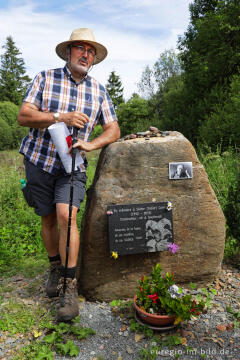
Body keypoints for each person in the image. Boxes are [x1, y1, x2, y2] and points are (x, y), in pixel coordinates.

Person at [18, 28, 120, 322]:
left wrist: (93, 143)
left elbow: (113, 128)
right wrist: (60, 117)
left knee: (67, 216)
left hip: (72, 167)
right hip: (39, 161)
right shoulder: (45, 78)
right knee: (48, 217)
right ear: (68, 52)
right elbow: (24, 116)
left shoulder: (98, 90)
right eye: (81, 48)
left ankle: (69, 287)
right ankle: (54, 267)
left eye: (91, 51)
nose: (86, 54)